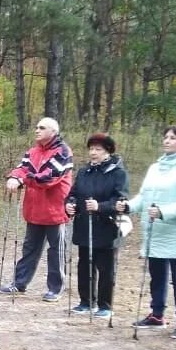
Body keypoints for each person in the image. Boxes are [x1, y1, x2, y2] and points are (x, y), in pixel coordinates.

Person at [117, 125, 176, 340]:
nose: (166, 141)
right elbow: (144, 196)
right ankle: (157, 315)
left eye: (172, 138)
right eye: (165, 137)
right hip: (155, 231)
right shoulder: (156, 167)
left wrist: (163, 212)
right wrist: (128, 206)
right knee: (157, 275)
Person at [0, 117, 74, 301]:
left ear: (53, 132)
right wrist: (14, 177)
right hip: (34, 210)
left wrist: (22, 179)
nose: (37, 130)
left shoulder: (63, 152)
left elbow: (48, 178)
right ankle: (19, 283)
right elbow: (21, 169)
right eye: (36, 127)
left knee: (56, 251)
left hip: (55, 211)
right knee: (29, 249)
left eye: (42, 127)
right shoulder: (32, 151)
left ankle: (55, 289)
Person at [65, 133, 129, 318]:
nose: (93, 153)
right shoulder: (84, 171)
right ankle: (86, 302)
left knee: (106, 268)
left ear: (108, 152)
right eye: (91, 149)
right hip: (85, 225)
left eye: (98, 149)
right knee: (84, 265)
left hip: (107, 227)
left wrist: (100, 207)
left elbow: (121, 199)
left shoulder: (118, 173)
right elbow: (73, 193)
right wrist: (70, 205)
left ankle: (105, 305)